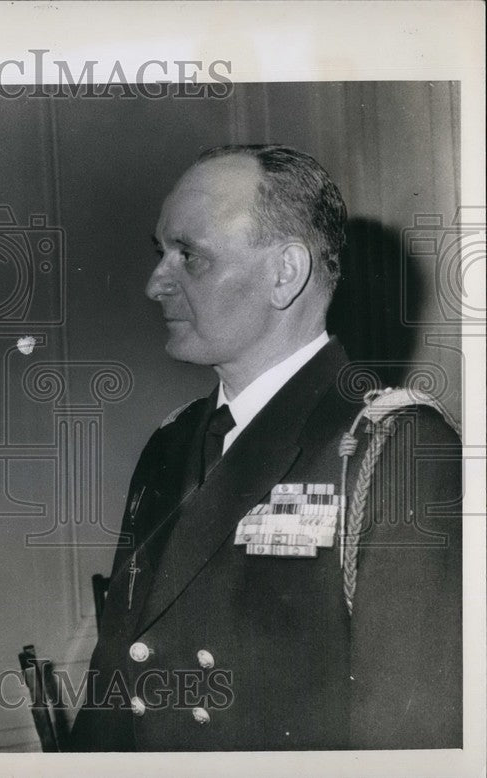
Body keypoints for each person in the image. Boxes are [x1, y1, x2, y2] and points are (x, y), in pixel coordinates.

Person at [70, 145, 462, 751]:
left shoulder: (393, 448)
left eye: (189, 256)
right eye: (161, 253)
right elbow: (116, 677)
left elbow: (408, 736)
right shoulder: (171, 444)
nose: (154, 284)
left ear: (285, 272)